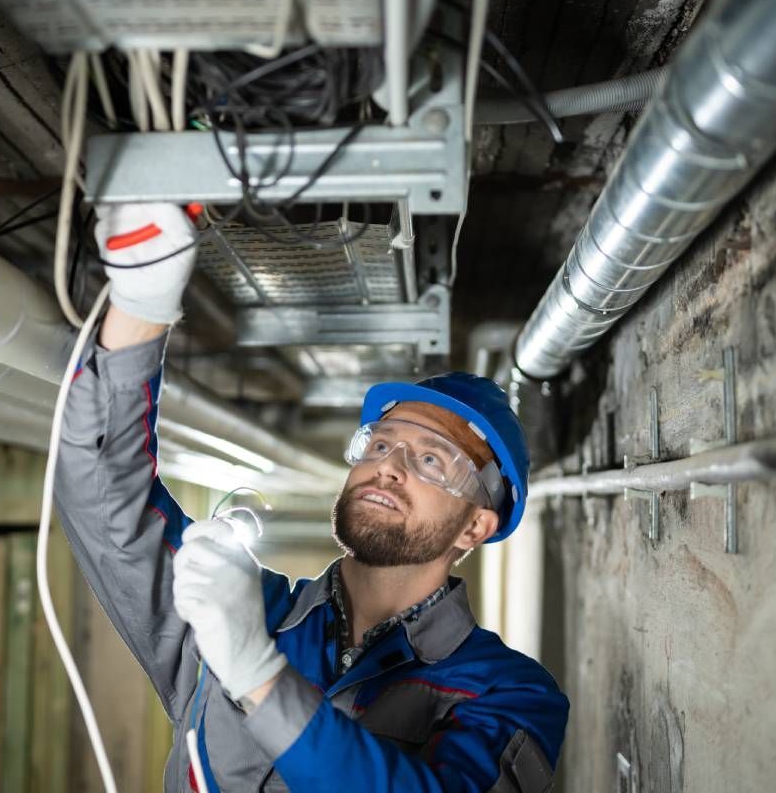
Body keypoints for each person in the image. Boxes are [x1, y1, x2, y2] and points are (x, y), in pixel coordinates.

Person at [54, 203, 569, 792]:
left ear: (474, 527)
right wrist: (141, 301)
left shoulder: (510, 691)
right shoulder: (240, 609)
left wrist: (258, 677)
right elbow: (102, 491)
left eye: (430, 460)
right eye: (379, 445)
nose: (389, 468)